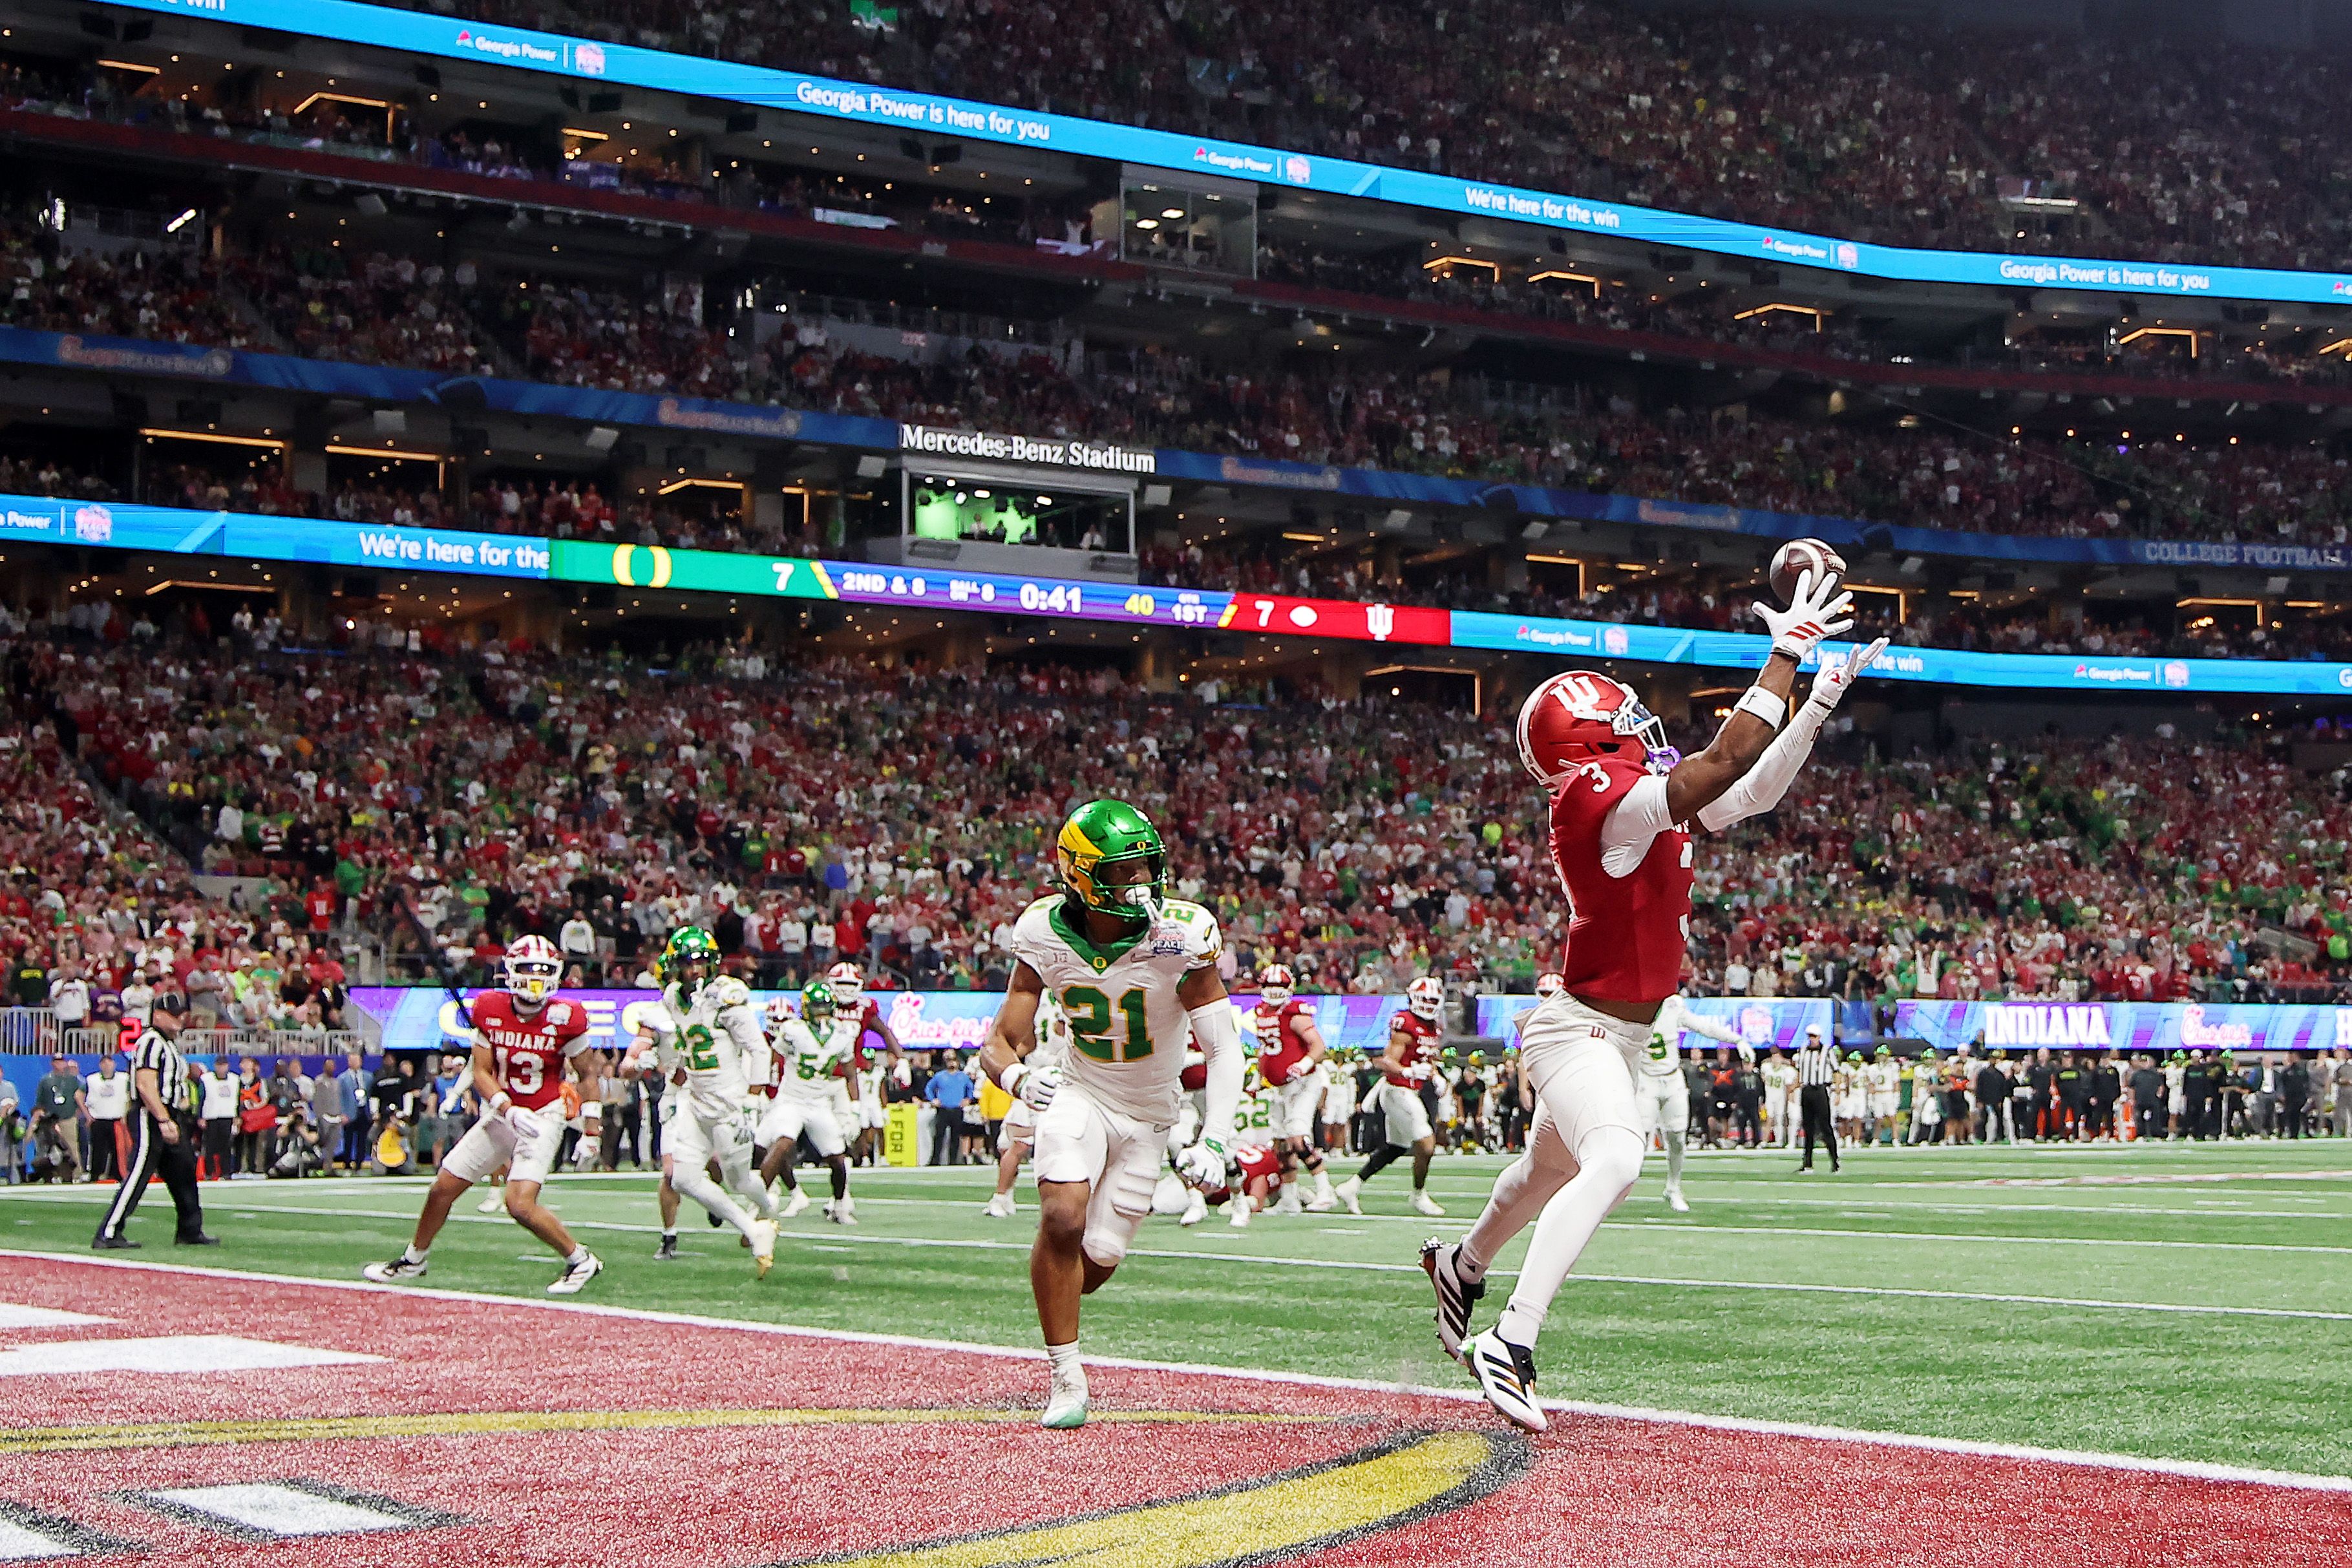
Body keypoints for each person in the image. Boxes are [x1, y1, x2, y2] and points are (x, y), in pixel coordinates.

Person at [1422, 580, 1880, 1433]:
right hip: (1580, 1030)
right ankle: (1511, 1340)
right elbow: (1726, 760)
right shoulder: (1596, 796)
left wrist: (1814, 700)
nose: (1642, 726)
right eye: (1624, 717)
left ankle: (1461, 1262)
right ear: (1592, 736)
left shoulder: (1629, 794)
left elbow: (1747, 794)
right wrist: (1784, 656)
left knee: (1544, 1171)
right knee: (1616, 1159)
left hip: (1615, 1033)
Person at [977, 798, 1238, 1429]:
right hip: (1082, 1090)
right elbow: (999, 1038)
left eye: (1146, 867)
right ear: (1080, 875)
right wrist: (1017, 1076)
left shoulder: (1182, 933)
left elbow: (1224, 1046)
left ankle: (1064, 1309)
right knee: (1061, 1218)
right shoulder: (1041, 930)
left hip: (1151, 1117)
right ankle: (1066, 1375)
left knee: (1091, 1265)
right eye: (1124, 871)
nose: (1141, 882)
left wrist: (1217, 1138)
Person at [360, 934, 606, 1295]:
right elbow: (481, 1071)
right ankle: (415, 1259)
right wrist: (507, 1107)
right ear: (510, 972)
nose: (535, 980)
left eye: (543, 972)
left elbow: (587, 1075)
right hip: (505, 1112)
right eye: (526, 970)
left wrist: (592, 1130)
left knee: (519, 1205)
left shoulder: (567, 1016)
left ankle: (580, 1260)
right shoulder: (490, 1007)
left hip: (544, 1114)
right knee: (443, 1187)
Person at [631, 926, 780, 1267]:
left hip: (730, 1102)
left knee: (738, 1180)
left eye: (700, 962)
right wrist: (670, 1085)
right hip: (697, 1101)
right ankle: (752, 1227)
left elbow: (759, 1050)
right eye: (687, 963)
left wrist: (754, 1097)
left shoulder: (725, 999)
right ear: (675, 966)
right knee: (682, 1178)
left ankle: (769, 1206)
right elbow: (687, 1047)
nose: (695, 970)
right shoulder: (672, 998)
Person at [92, 1004, 213, 1248]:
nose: (180, 1019)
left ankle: (190, 1230)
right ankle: (109, 1232)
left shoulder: (169, 1044)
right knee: (139, 1172)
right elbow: (145, 1084)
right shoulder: (151, 1041)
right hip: (151, 1114)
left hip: (169, 1112)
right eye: (174, 1014)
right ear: (158, 1015)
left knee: (184, 1171)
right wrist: (163, 1119)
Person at [1333, 977, 1448, 1217]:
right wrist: (1407, 1071)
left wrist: (1436, 1076)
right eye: (1424, 999)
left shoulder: (1431, 1027)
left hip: (1408, 1090)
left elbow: (1426, 1058)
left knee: (1396, 1147)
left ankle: (1351, 1186)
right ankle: (1418, 1194)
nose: (1428, 1004)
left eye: (1432, 1000)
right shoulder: (1405, 1022)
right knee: (1426, 1145)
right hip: (1397, 1090)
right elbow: (1385, 1061)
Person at [757, 981, 858, 1224]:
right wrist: (762, 1088)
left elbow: (851, 1071)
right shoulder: (793, 1029)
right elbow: (773, 1057)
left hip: (819, 1101)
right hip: (791, 1099)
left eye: (824, 1006)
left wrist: (855, 1107)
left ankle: (840, 1204)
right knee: (781, 1143)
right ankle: (758, 1201)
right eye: (816, 1006)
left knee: (837, 1157)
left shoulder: (844, 1034)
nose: (820, 1011)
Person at [1633, 994, 1741, 1212]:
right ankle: (1617, 1187)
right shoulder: (1631, 1004)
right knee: (1639, 1136)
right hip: (1646, 1079)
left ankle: (1673, 1188)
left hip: (1672, 1079)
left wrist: (1736, 1039)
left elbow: (1705, 1028)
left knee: (1677, 1138)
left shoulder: (1672, 1005)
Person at [1249, 964, 1336, 1212]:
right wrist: (1258, 1078)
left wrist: (1303, 1063)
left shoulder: (1295, 1013)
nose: (1274, 991)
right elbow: (1266, 1049)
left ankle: (1325, 1191)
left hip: (1304, 1083)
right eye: (1270, 986)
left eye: (1279, 986)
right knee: (1281, 1144)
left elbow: (1318, 1045)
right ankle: (1289, 1198)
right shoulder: (1262, 1011)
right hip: (1279, 1088)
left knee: (1297, 1138)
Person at [986, 988, 1072, 1218]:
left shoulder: (1039, 998)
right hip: (1051, 1079)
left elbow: (1029, 1042)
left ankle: (1005, 1197)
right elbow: (1060, 1032)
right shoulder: (1064, 996)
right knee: (1018, 1146)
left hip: (1036, 1075)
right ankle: (1002, 1197)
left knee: (1014, 1146)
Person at [29, 1053, 85, 1185]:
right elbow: (40, 1101)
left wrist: (76, 1114)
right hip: (51, 1121)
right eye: (57, 1061)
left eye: (61, 1061)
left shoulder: (73, 1079)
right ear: (52, 1063)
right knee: (51, 1150)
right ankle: (55, 1175)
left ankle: (77, 1174)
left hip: (68, 1118)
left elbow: (81, 1095)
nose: (59, 1064)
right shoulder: (46, 1080)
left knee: (72, 1147)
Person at [1794, 1026, 1841, 1171]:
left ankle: (1835, 1162)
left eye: (1814, 1036)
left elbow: (1836, 1071)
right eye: (1810, 1036)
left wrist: (1838, 1091)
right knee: (1808, 1127)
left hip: (1820, 1090)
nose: (1812, 1039)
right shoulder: (1802, 1050)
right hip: (1807, 1090)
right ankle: (1807, 1162)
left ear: (1819, 1037)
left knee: (1825, 1127)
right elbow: (1799, 1071)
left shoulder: (1827, 1051)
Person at [84, 1055, 129, 1183]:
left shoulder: (124, 1079)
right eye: (104, 1063)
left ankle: (116, 1175)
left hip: (116, 1120)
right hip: (99, 1119)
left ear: (114, 1065)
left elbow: (130, 1096)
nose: (107, 1066)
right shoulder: (92, 1080)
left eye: (109, 1063)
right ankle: (95, 1175)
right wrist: (88, 1115)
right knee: (98, 1150)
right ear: (100, 1066)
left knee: (117, 1149)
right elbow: (79, 1095)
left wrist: (125, 1115)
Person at [926, 1052, 976, 1166]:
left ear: (957, 1062)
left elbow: (971, 1088)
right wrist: (933, 1099)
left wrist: (968, 1099)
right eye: (949, 1060)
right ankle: (935, 1160)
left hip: (957, 1109)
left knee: (956, 1137)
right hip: (943, 1109)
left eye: (953, 1060)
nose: (952, 1063)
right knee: (939, 1136)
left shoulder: (963, 1077)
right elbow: (929, 1088)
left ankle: (953, 1161)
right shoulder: (940, 1076)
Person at [198, 1057, 239, 1178]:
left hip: (227, 1116)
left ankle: (226, 1172)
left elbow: (237, 1098)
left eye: (224, 1065)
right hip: (211, 1116)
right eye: (219, 1066)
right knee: (210, 1146)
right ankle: (210, 1173)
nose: (222, 1068)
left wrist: (237, 1115)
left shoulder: (235, 1079)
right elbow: (201, 1098)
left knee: (226, 1146)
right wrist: (200, 1116)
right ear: (215, 1066)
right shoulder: (206, 1079)